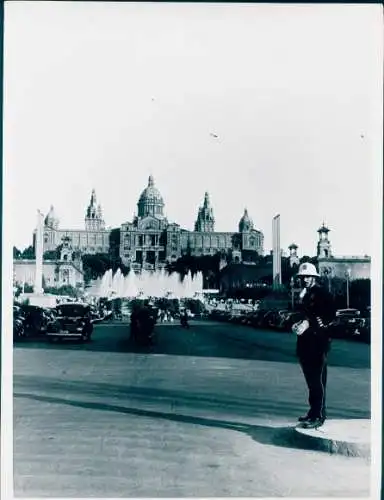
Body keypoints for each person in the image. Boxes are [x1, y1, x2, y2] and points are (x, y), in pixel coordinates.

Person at [292, 262, 336, 429]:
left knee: (318, 380)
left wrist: (310, 323)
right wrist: (297, 323)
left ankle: (319, 415)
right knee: (310, 380)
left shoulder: (323, 294)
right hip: (305, 342)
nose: (304, 280)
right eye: (302, 278)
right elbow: (300, 314)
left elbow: (329, 317)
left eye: (308, 277)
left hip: (318, 343)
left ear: (315, 277)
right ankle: (313, 411)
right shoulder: (305, 294)